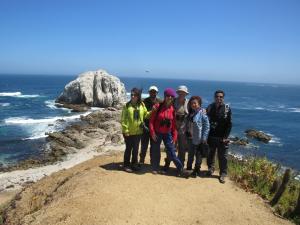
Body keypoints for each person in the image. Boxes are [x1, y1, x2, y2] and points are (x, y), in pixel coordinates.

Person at [149, 88, 184, 175]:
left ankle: (181, 169)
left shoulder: (172, 109)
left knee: (172, 151)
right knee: (155, 150)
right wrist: (152, 132)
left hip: (167, 133)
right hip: (157, 132)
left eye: (172, 96)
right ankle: (155, 167)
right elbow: (151, 121)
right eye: (168, 96)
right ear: (165, 96)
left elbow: (173, 125)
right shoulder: (158, 106)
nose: (170, 98)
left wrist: (174, 137)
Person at [206, 90, 232, 183]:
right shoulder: (210, 107)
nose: (219, 98)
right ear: (214, 97)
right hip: (211, 136)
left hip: (222, 138)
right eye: (217, 96)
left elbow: (229, 124)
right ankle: (210, 168)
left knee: (223, 157)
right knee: (210, 154)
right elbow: (206, 121)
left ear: (223, 98)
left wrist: (226, 137)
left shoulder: (227, 108)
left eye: (221, 97)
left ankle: (223, 174)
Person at [121, 88, 148, 172]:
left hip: (138, 132)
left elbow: (146, 115)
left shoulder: (142, 105)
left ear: (138, 96)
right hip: (129, 132)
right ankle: (126, 165)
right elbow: (123, 119)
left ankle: (134, 164)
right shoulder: (126, 106)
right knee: (128, 148)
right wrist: (125, 130)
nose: (132, 96)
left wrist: (153, 111)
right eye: (131, 94)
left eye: (134, 95)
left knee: (136, 149)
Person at [163, 85, 189, 170]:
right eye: (180, 92)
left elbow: (196, 110)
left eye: (183, 92)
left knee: (182, 149)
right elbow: (165, 106)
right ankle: (167, 163)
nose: (182, 94)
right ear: (178, 93)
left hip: (183, 129)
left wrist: (203, 110)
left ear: (186, 94)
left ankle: (180, 167)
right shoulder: (173, 101)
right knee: (170, 147)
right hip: (172, 128)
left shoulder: (188, 103)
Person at [184, 96, 210, 177]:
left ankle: (196, 170)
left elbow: (207, 126)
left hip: (198, 139)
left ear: (199, 104)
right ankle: (189, 169)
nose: (193, 104)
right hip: (189, 137)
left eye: (195, 103)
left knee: (198, 156)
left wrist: (204, 138)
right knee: (190, 154)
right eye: (192, 103)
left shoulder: (202, 113)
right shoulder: (190, 113)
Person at [139, 86, 161, 164]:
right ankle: (141, 160)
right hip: (145, 126)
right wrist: (143, 125)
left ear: (157, 93)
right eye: (151, 92)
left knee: (153, 145)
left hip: (155, 127)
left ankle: (152, 161)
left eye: (154, 92)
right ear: (149, 92)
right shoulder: (144, 101)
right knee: (144, 145)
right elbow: (141, 114)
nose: (153, 93)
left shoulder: (160, 102)